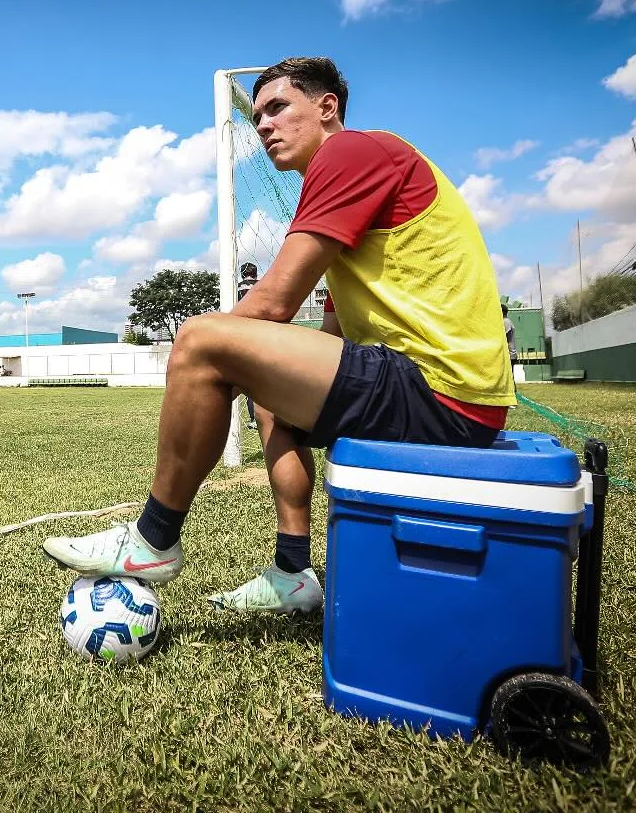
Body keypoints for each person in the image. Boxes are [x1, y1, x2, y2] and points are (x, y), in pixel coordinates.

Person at [43, 57, 514, 614]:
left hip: (441, 394)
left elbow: (275, 302)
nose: (263, 124)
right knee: (272, 397)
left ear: (326, 107)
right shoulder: (351, 191)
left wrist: (198, 364)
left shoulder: (351, 152)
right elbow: (332, 335)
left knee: (199, 340)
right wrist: (255, 373)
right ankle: (293, 572)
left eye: (278, 108)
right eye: (259, 113)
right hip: (444, 393)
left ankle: (153, 541)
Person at [236, 262, 260, 430]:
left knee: (247, 381)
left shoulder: (236, 288)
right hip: (263, 331)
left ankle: (253, 419)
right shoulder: (262, 285)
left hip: (242, 333)